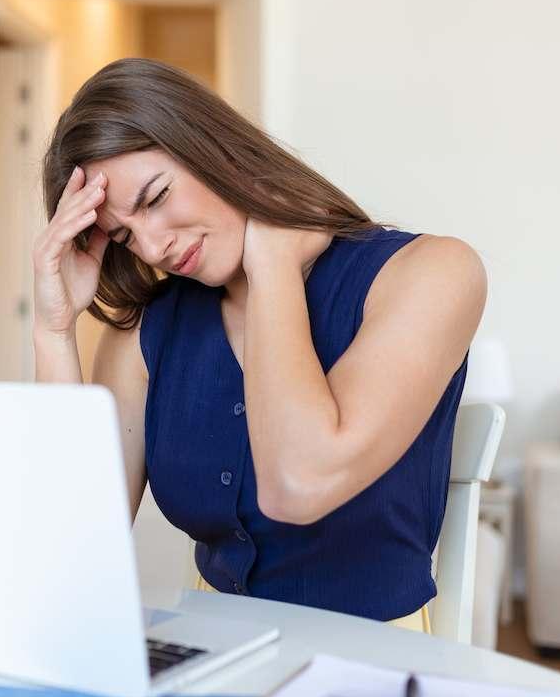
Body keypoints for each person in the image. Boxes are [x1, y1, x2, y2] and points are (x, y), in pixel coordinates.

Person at [31, 58, 486, 631]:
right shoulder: (144, 333)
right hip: (208, 652)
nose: (151, 247)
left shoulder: (431, 272)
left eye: (155, 197)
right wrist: (54, 330)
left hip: (374, 669)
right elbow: (75, 551)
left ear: (214, 148)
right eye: (123, 235)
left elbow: (298, 484)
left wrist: (271, 260)